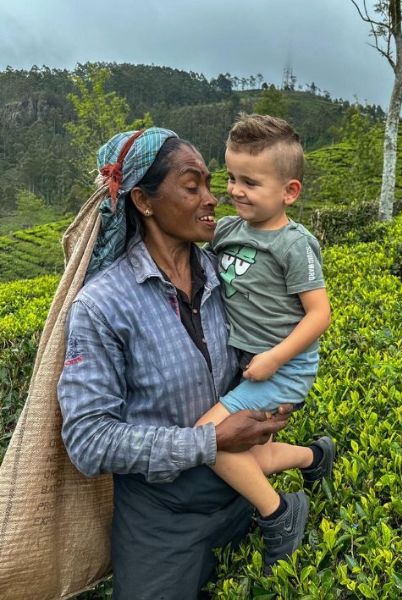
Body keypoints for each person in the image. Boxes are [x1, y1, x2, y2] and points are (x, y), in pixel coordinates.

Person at [57, 127, 307, 598]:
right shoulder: (103, 306)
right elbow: (88, 441)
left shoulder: (220, 272)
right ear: (143, 202)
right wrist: (208, 441)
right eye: (192, 187)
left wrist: (274, 399)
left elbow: (254, 355)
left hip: (242, 485)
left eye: (211, 185)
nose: (213, 199)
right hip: (163, 515)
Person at [195, 113, 333, 574]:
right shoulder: (230, 231)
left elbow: (320, 315)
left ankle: (280, 513)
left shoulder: (296, 245)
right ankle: (315, 457)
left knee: (207, 439)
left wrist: (273, 359)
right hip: (248, 366)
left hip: (282, 368)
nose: (235, 191)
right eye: (231, 177)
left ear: (289, 191)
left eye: (250, 183)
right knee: (244, 452)